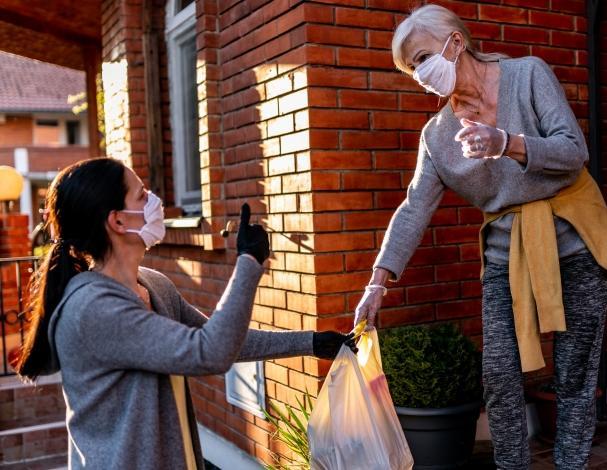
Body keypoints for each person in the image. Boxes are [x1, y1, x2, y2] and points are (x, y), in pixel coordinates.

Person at [353, 5, 607, 469]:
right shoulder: (437, 136)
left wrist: (507, 143)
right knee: (500, 376)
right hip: (507, 255)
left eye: (424, 58)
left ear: (456, 43)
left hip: (577, 239)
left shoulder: (528, 75)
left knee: (574, 374)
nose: (422, 74)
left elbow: (573, 149)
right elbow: (414, 208)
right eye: (412, 68)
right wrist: (377, 283)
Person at [15, 158, 356, 469]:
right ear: (117, 221)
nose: (155, 202)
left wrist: (311, 342)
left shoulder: (153, 285)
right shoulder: (94, 308)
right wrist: (248, 264)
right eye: (142, 195)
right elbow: (210, 353)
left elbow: (224, 340)